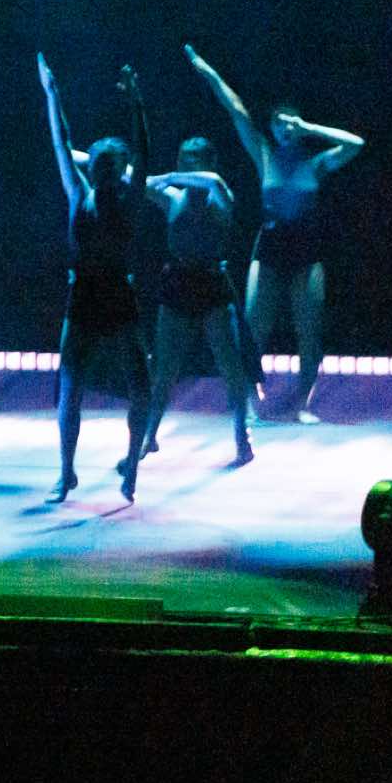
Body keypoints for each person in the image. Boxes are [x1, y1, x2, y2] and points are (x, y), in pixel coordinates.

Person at [186, 46, 364, 423]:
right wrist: (206, 70)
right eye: (279, 123)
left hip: (306, 249)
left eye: (291, 123)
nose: (285, 128)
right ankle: (251, 400)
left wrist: (309, 128)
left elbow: (356, 144)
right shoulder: (263, 153)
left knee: (309, 332)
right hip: (270, 246)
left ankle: (301, 405)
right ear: (270, 127)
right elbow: (235, 109)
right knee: (253, 328)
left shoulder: (316, 163)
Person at [37, 56, 151, 503]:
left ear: (119, 169)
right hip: (84, 296)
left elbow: (144, 155)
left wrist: (137, 104)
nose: (102, 168)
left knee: (139, 388)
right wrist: (52, 95)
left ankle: (132, 465)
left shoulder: (131, 199)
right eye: (99, 162)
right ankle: (66, 472)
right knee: (69, 388)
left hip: (117, 295)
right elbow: (61, 142)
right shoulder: (78, 195)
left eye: (110, 163)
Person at [143, 138, 256, 466]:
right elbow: (129, 177)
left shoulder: (220, 195)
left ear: (209, 162)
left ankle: (241, 436)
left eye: (194, 161)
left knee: (231, 367)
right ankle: (149, 435)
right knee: (164, 369)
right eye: (183, 160)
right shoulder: (172, 198)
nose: (187, 166)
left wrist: (169, 175)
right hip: (178, 284)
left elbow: (213, 181)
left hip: (212, 285)